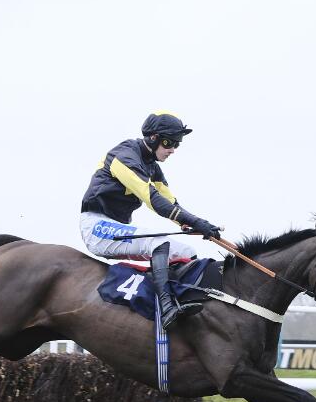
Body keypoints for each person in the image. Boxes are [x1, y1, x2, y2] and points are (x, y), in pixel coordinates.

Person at [80, 112, 221, 330]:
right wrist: (195, 220)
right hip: (96, 227)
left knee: (186, 252)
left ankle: (179, 302)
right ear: (153, 137)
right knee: (158, 243)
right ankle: (166, 309)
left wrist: (195, 224)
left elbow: (171, 202)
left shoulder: (152, 166)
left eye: (177, 144)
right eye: (170, 142)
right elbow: (153, 199)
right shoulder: (123, 156)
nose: (173, 149)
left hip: (118, 229)